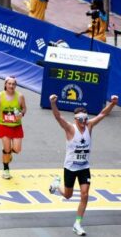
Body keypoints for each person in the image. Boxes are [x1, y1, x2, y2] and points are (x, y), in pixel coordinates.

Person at [47, 94, 118, 236]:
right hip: (70, 168)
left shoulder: (89, 126)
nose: (84, 122)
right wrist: (53, 103)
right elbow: (58, 117)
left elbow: (102, 114)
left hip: (84, 167)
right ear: (75, 119)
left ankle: (77, 223)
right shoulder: (70, 128)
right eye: (81, 119)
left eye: (85, 119)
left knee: (84, 195)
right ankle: (56, 187)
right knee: (68, 195)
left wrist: (113, 103)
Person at [0, 76, 27, 180]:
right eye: (9, 83)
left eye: (13, 84)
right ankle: (6, 169)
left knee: (17, 149)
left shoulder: (20, 96)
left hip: (16, 126)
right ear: (5, 84)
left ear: (16, 86)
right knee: (6, 150)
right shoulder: (0, 96)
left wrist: (21, 114)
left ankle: (9, 152)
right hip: (4, 126)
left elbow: (24, 108)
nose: (11, 86)